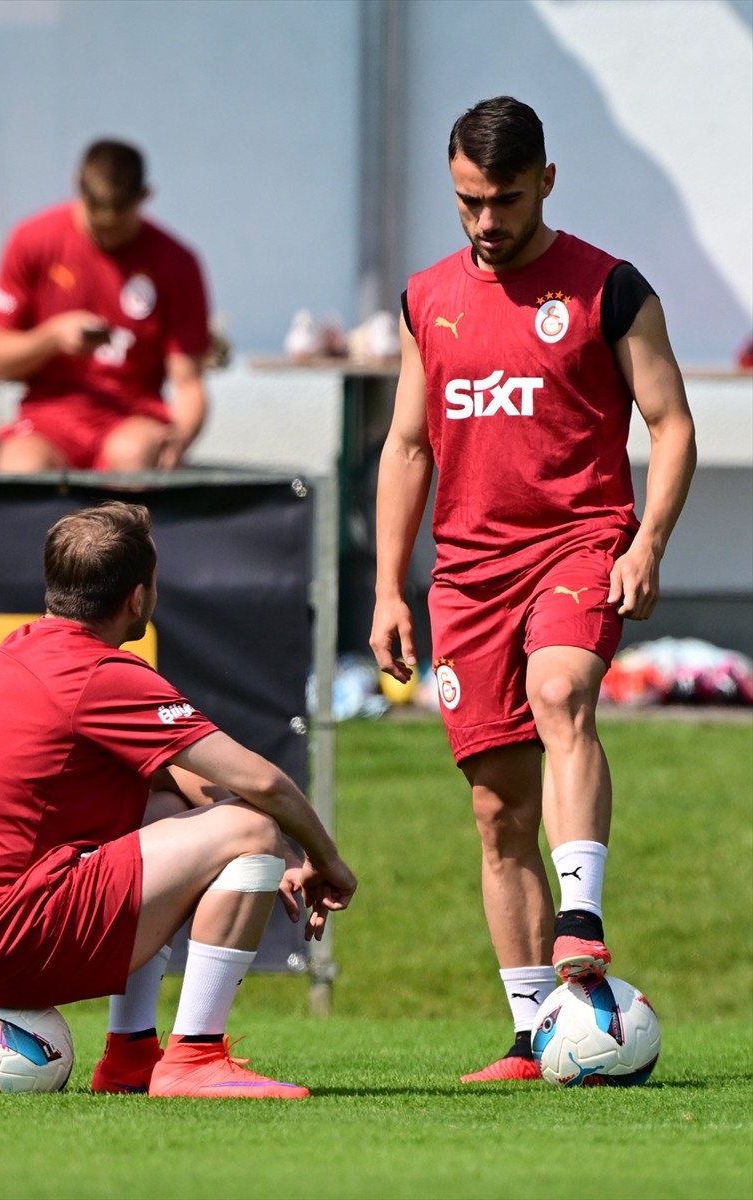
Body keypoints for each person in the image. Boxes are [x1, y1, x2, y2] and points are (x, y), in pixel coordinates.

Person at [370, 96, 697, 1083]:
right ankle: (527, 1038)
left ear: (546, 182)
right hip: (466, 573)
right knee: (494, 812)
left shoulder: (609, 288)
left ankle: (581, 920)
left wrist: (644, 542)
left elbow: (671, 424)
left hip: (577, 541)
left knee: (562, 693)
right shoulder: (427, 297)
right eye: (467, 200)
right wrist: (388, 587)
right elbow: (408, 442)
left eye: (504, 199)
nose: (484, 221)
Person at [0, 501, 357, 1098]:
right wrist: (323, 861)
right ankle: (195, 1058)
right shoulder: (99, 674)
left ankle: (130, 1055)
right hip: (8, 942)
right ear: (138, 597)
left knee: (177, 807)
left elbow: (185, 779)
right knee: (252, 828)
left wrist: (232, 856)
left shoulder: (18, 653)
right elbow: (266, 784)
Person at [0, 139, 211, 473]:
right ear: (77, 186)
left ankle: (134, 524)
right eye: (97, 222)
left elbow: (189, 383)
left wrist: (180, 439)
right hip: (48, 419)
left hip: (132, 417)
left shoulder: (177, 263)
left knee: (133, 454)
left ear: (144, 197)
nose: (107, 237)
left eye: (118, 225)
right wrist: (53, 337)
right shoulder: (31, 240)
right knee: (20, 468)